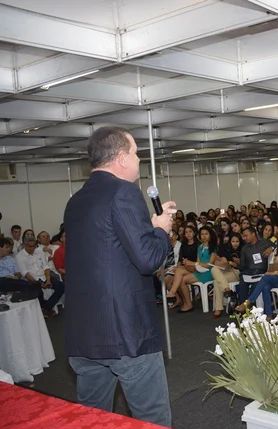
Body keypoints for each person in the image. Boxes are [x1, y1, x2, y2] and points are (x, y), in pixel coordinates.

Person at [63, 126, 175, 426]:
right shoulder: (125, 192)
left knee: (91, 418)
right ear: (123, 158)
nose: (139, 161)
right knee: (151, 418)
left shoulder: (76, 200)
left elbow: (109, 250)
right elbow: (148, 260)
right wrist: (161, 231)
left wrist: (149, 226)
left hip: (85, 334)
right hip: (127, 334)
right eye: (137, 154)